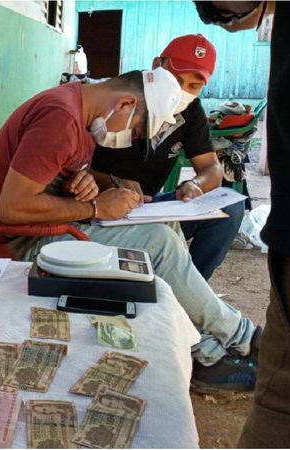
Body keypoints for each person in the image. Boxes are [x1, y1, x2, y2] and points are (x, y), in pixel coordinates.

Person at [0, 67, 260, 391]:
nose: (131, 139)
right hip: (24, 242)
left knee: (163, 222)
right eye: (138, 131)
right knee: (159, 242)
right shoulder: (61, 119)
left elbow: (54, 174)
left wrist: (91, 185)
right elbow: (10, 209)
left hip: (49, 225)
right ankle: (238, 338)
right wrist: (95, 207)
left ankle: (200, 345)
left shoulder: (77, 107)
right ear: (125, 104)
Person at [195, 1, 290, 447]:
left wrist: (197, 186)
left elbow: (208, 167)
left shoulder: (185, 110)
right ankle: (225, 337)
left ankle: (215, 335)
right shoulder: (71, 115)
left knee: (228, 211)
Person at [91, 34, 244, 281]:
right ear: (156, 66)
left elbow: (211, 168)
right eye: (175, 78)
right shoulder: (121, 95)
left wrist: (195, 185)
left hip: (148, 209)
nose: (181, 91)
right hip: (102, 210)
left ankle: (189, 290)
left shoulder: (191, 110)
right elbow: (73, 170)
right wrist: (111, 182)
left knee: (231, 207)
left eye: (193, 86)